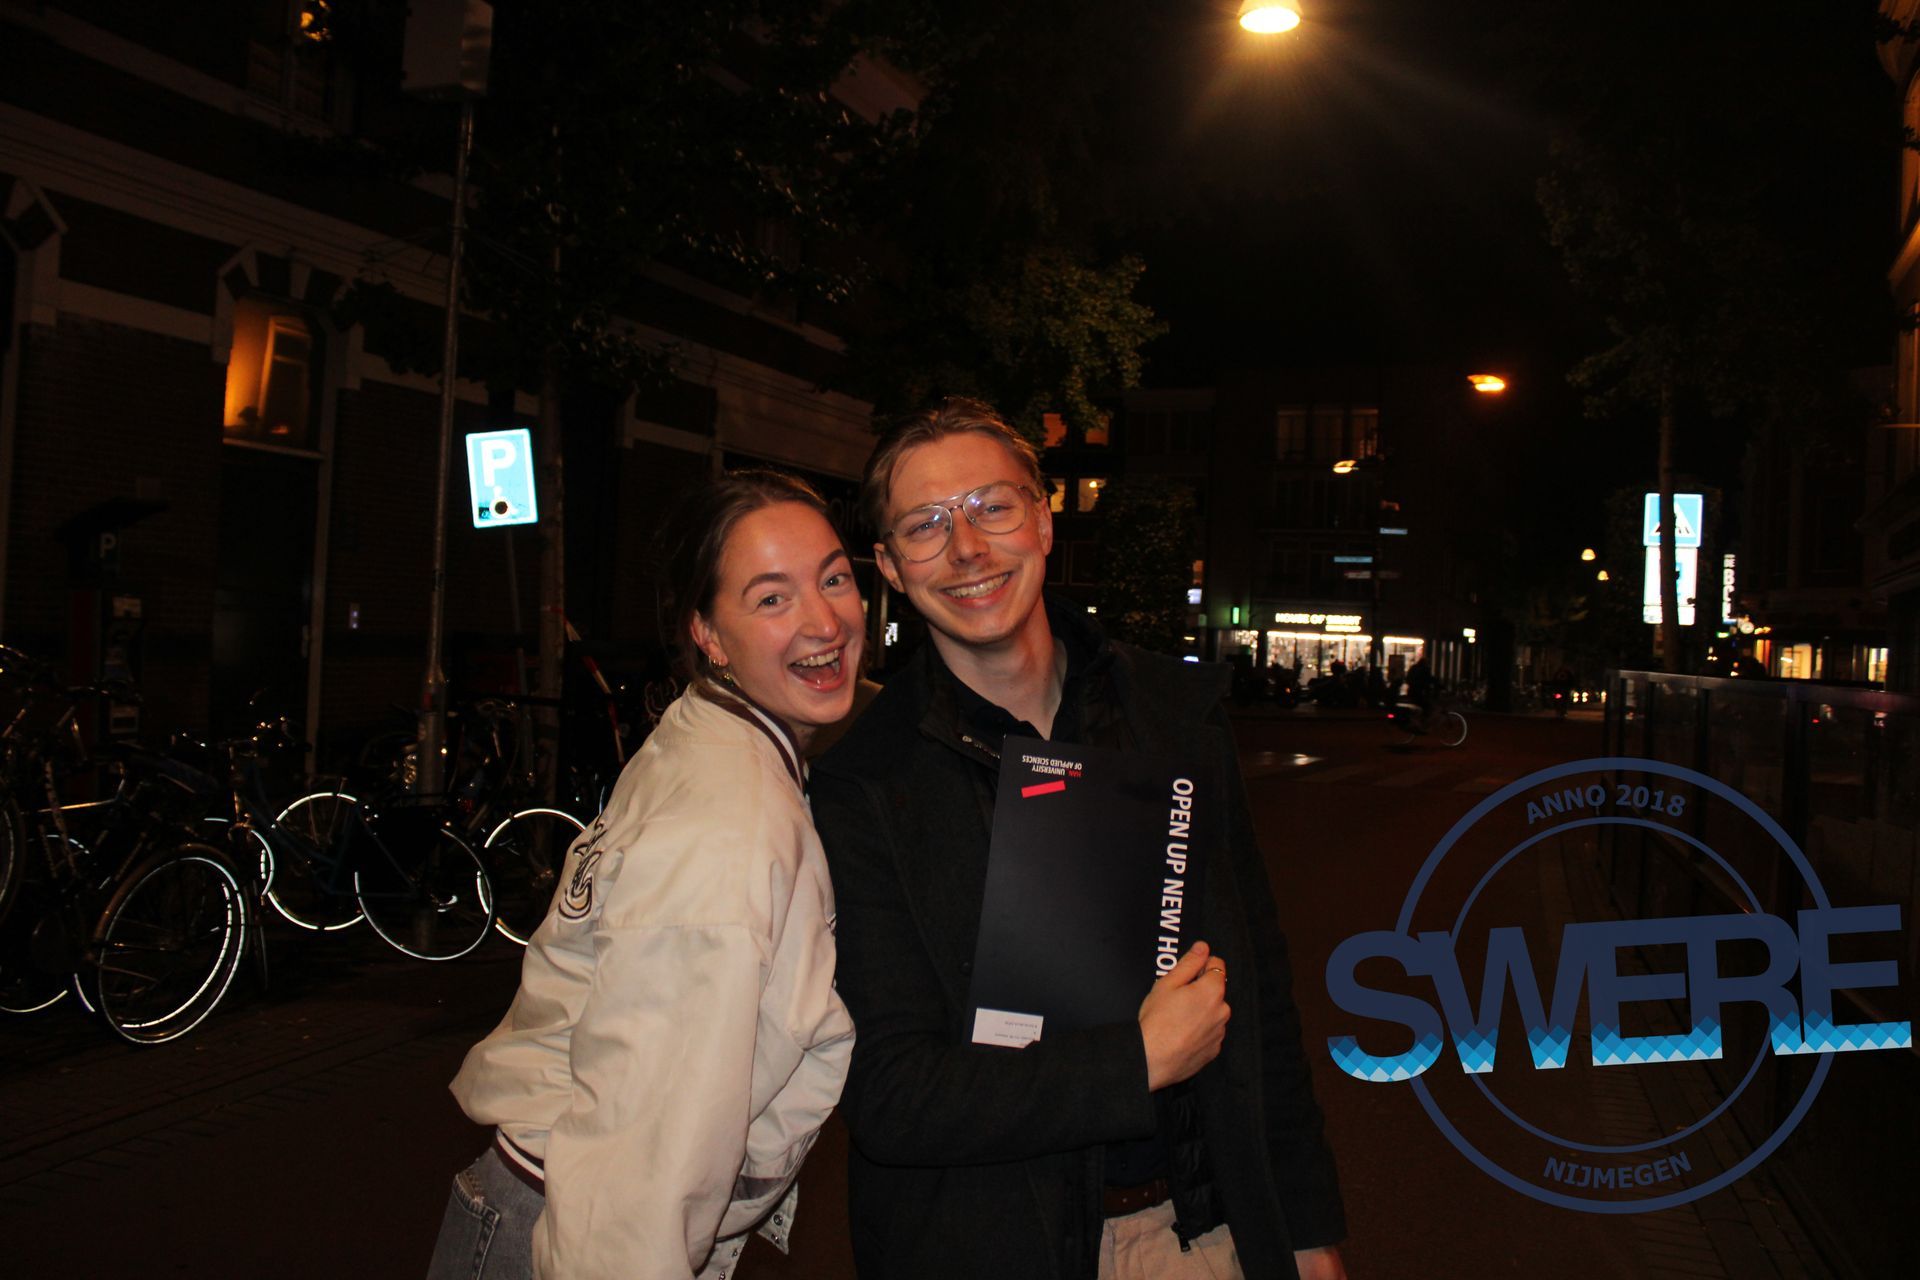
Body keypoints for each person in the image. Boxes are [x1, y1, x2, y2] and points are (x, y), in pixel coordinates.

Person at [810, 399, 1347, 1280]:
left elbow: (1261, 996)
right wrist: (1133, 1063)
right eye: (925, 525)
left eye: (992, 506)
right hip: (985, 1252)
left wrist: (1304, 1226)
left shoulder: (1172, 716)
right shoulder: (862, 785)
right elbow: (889, 1094)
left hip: (1202, 1235)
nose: (967, 548)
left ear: (1044, 520)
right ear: (892, 567)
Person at [426, 471, 861, 1280]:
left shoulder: (711, 728)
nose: (825, 621)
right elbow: (644, 1166)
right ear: (709, 633)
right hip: (576, 1230)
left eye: (833, 579)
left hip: (545, 1197)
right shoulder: (728, 829)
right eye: (772, 598)